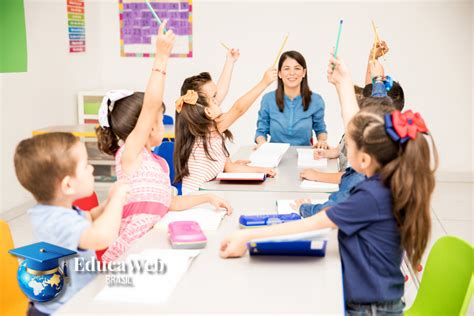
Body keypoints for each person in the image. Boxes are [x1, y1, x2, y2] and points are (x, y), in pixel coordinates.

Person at [255, 50, 328, 148]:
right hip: (275, 156)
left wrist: (322, 141)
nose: (292, 73)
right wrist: (262, 143)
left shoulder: (316, 100)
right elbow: (261, 131)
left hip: (304, 156)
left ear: (304, 73)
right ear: (279, 73)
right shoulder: (268, 99)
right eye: (286, 69)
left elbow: (320, 130)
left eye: (297, 68)